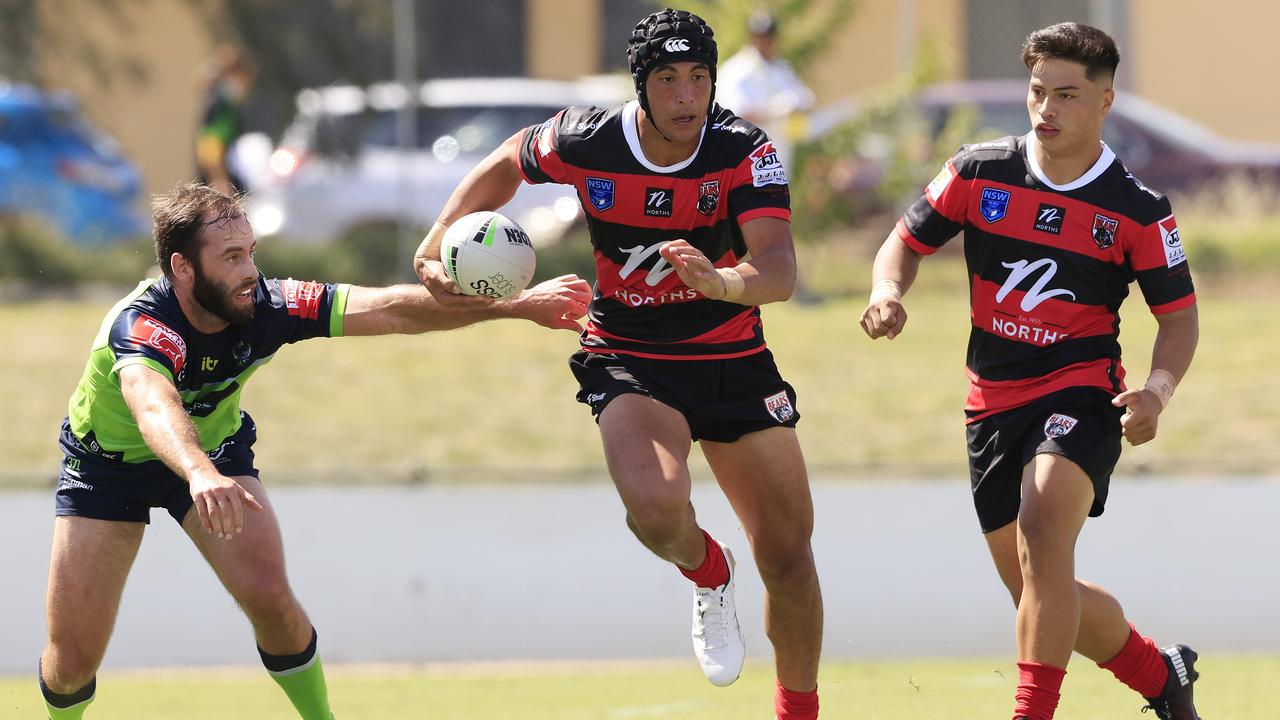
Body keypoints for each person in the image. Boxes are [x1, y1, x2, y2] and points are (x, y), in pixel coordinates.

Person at [38, 183, 590, 720]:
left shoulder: (269, 304)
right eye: (231, 257)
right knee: (71, 664)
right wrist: (198, 474)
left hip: (215, 457)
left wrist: (519, 306)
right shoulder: (141, 325)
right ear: (183, 268)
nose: (250, 271)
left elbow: (395, 309)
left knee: (273, 601)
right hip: (106, 471)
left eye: (251, 252)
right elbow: (152, 404)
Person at [413, 9, 823, 720]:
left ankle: (798, 711)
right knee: (657, 512)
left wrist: (722, 283)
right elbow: (511, 159)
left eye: (699, 78)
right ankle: (708, 570)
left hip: (733, 356)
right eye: (668, 80)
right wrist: (435, 240)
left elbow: (779, 269)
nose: (687, 97)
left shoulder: (742, 149)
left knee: (788, 558)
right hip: (631, 354)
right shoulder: (587, 138)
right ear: (642, 86)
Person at [859, 22, 1200, 720]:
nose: (1047, 109)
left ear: (1106, 100)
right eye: (1038, 91)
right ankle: (1161, 675)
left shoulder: (1136, 209)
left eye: (1067, 95)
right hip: (990, 400)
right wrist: (885, 292)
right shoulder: (979, 170)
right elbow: (902, 243)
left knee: (1044, 531)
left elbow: (1180, 319)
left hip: (1081, 388)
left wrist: (1158, 394)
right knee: (1039, 591)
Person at [714, 10, 815, 174]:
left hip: (780, 159)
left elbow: (805, 101)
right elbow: (734, 115)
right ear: (752, 37)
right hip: (745, 159)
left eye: (768, 36)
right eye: (760, 36)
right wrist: (777, 110)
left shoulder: (783, 70)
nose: (764, 41)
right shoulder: (736, 71)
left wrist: (797, 107)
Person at [195, 46, 255, 196]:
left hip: (225, 140)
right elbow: (210, 146)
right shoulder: (219, 95)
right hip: (212, 135)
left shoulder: (230, 93)